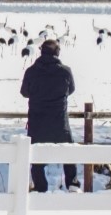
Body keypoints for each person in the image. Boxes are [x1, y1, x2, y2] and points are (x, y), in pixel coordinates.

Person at [20, 38, 79, 192]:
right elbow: (71, 89)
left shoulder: (31, 71)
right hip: (60, 122)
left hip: (37, 122)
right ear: (57, 52)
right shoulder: (65, 71)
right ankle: (72, 184)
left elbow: (24, 92)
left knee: (36, 157)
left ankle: (41, 188)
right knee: (69, 153)